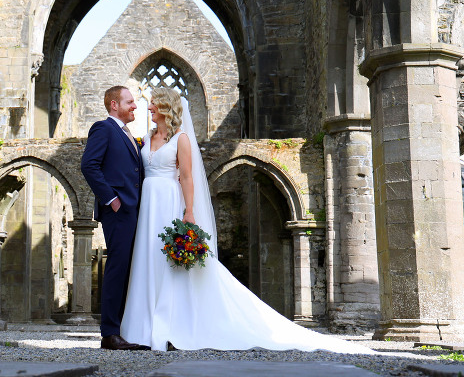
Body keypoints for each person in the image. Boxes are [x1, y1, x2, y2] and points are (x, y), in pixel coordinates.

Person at [120, 88, 373, 354]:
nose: (148, 108)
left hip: (168, 203)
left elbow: (187, 177)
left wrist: (189, 211)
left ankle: (172, 324)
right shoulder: (146, 138)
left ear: (166, 108)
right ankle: (143, 327)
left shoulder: (180, 139)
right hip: (147, 205)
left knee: (170, 263)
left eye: (153, 104)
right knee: (147, 259)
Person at [81, 86, 147, 351]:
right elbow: (89, 165)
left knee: (130, 268)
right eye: (130, 102)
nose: (135, 106)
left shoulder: (128, 134)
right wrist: (111, 199)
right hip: (119, 211)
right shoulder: (103, 128)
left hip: (135, 210)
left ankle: (125, 328)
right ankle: (109, 333)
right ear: (113, 105)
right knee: (117, 269)